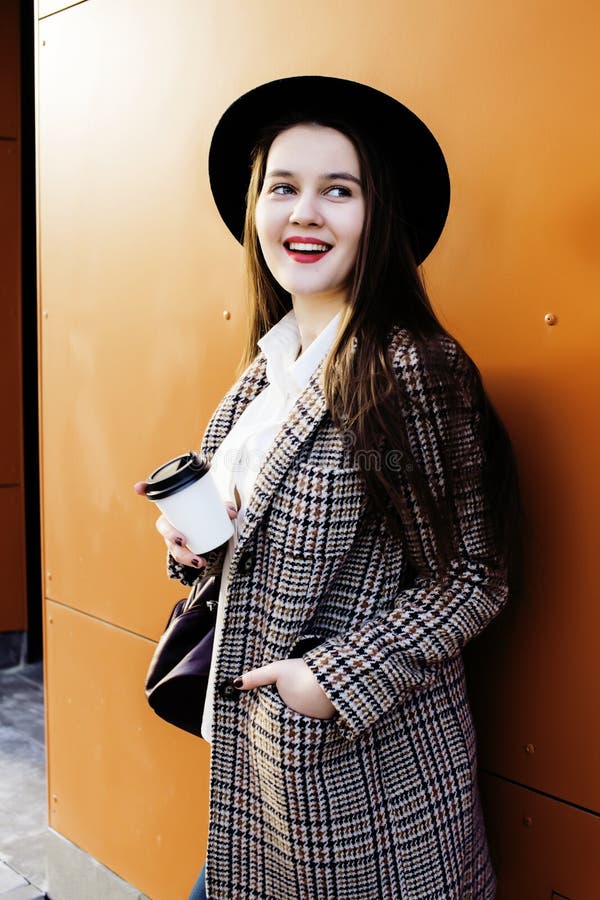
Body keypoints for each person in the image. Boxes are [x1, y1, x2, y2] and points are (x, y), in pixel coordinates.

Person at [137, 76, 521, 900]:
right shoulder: (264, 373)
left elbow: (470, 581)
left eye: (337, 191)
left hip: (361, 786)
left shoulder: (415, 368)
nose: (304, 213)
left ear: (377, 216)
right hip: (253, 775)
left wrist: (333, 681)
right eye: (284, 187)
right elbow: (271, 542)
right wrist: (197, 551)